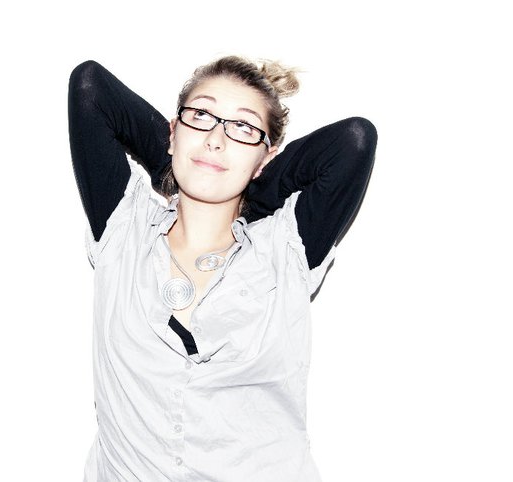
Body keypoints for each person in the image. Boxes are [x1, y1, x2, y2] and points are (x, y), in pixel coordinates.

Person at [68, 56, 377, 481]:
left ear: (266, 159)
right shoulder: (125, 229)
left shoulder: (285, 249)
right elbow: (90, 87)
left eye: (243, 127)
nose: (216, 139)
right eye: (201, 116)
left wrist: (249, 190)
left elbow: (354, 140)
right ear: (171, 132)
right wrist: (179, 164)